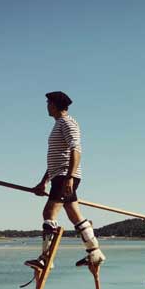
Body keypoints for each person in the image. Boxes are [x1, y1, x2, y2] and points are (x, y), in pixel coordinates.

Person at [25, 91, 105, 270]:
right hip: (60, 175)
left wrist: (69, 177)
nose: (47, 106)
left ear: (54, 105)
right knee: (75, 215)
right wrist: (43, 181)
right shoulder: (59, 124)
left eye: (48, 103)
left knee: (49, 214)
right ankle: (95, 253)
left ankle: (46, 259)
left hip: (65, 176)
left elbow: (76, 150)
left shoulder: (68, 123)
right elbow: (58, 158)